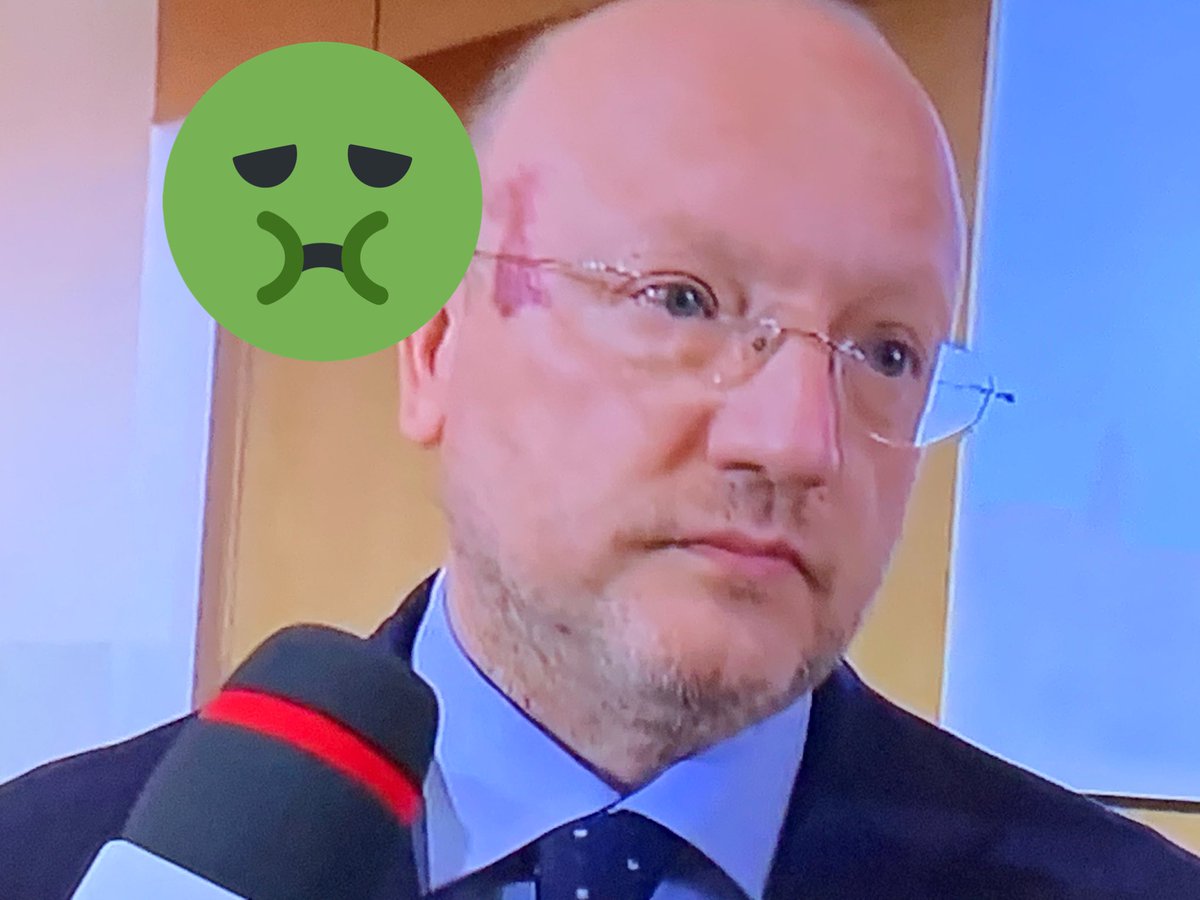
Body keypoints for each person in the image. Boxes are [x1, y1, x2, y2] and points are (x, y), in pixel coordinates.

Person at [3, 0, 1200, 897]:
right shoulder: (50, 860)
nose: (798, 442)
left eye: (886, 352)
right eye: (681, 300)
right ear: (436, 346)